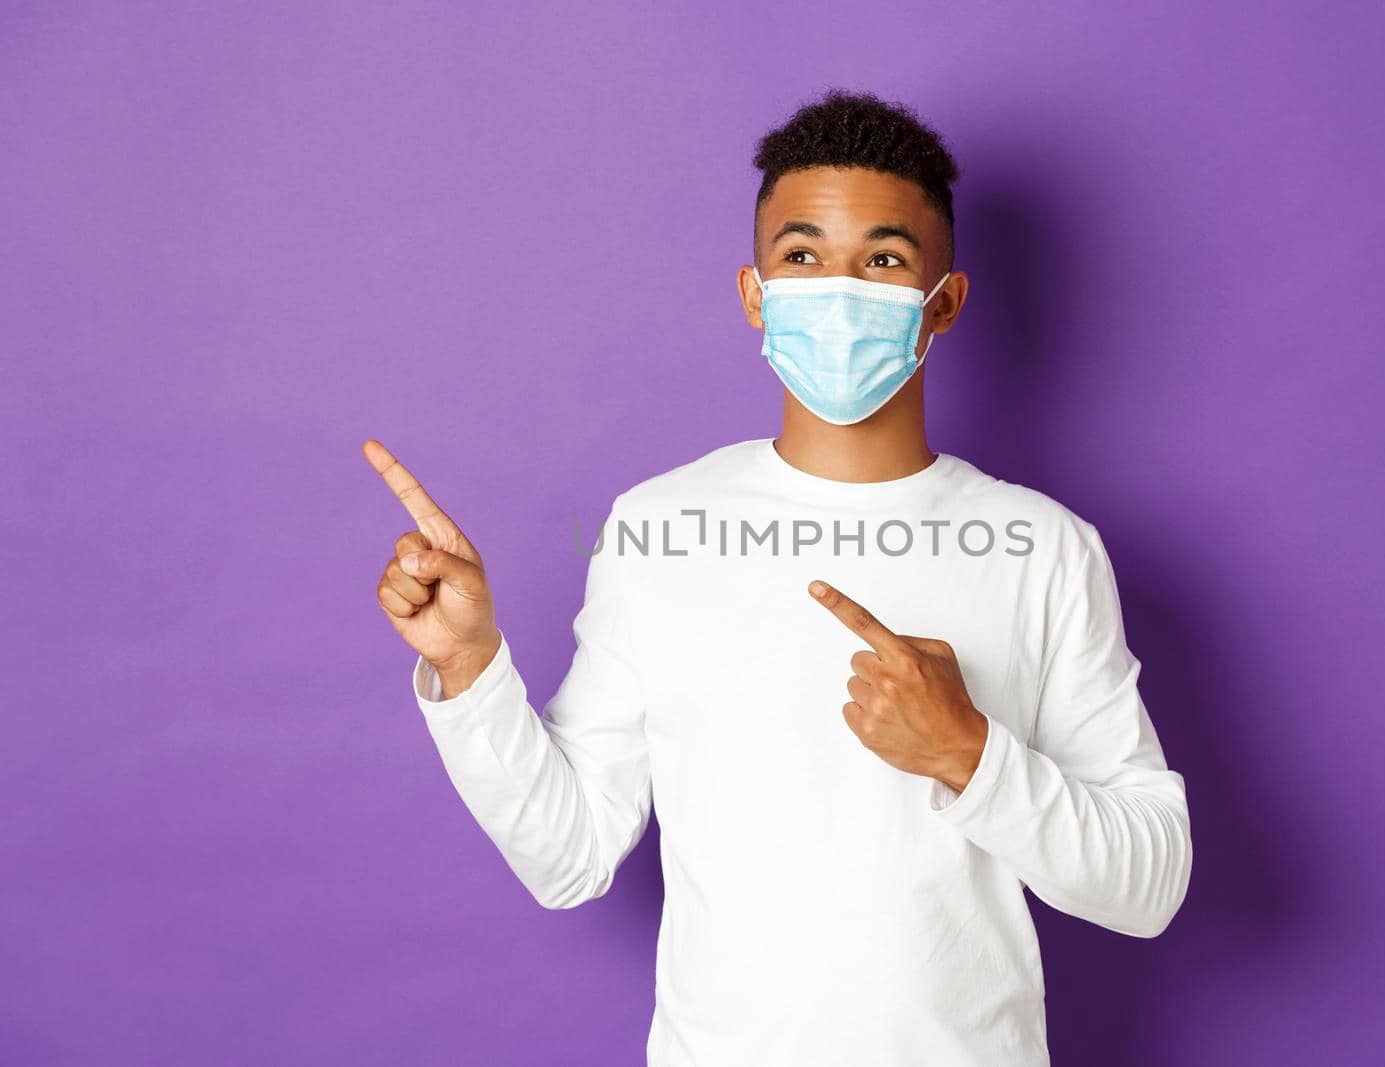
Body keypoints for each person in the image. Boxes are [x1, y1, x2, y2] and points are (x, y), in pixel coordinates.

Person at [364, 88, 1192, 1067]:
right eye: (802, 256)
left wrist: (970, 752)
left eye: (883, 259)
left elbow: (1148, 884)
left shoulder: (1040, 546)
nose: (838, 289)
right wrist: (469, 665)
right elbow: (568, 853)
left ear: (946, 301)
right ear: (757, 293)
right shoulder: (657, 528)